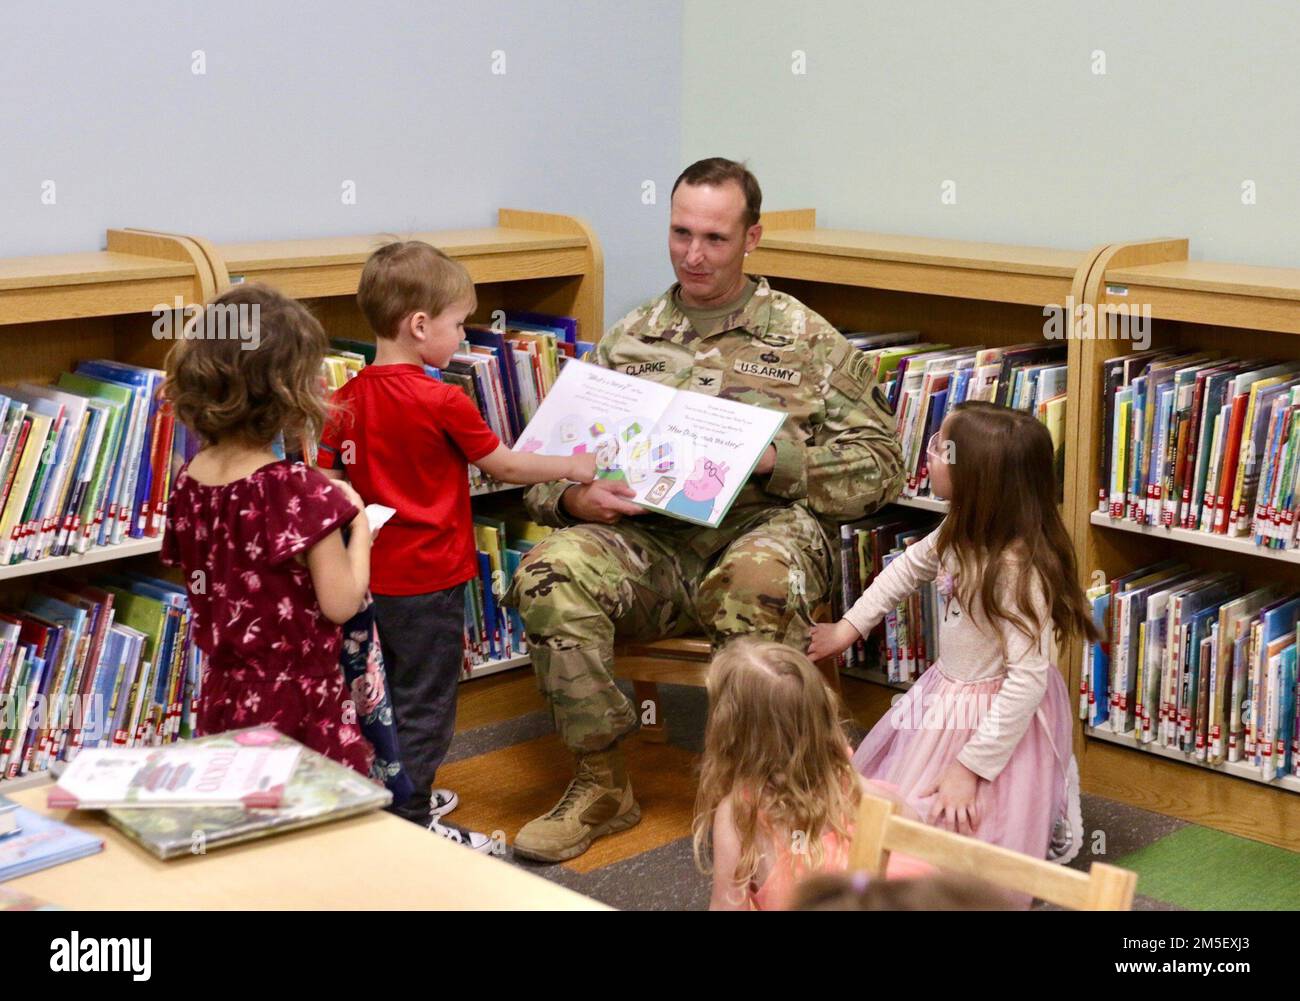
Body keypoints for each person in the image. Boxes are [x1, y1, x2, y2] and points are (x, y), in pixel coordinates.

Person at [504, 157, 904, 863]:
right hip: (648, 545)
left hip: (759, 530)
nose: (693, 253)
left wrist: (781, 461)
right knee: (549, 571)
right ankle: (602, 783)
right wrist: (573, 494)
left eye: (714, 238)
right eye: (680, 232)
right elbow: (540, 466)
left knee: (756, 578)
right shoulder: (633, 335)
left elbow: (884, 467)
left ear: (752, 238)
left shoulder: (804, 338)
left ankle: (756, 795)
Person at [318, 241, 596, 850]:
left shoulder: (343, 399)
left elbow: (330, 481)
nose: (464, 340)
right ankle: (410, 825)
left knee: (377, 697)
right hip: (429, 583)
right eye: (457, 326)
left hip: (365, 581)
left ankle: (389, 796)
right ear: (420, 326)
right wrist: (573, 467)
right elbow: (503, 465)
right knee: (427, 706)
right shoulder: (443, 397)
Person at [808, 401, 1101, 875]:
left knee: (960, 832)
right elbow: (904, 569)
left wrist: (970, 767)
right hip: (949, 693)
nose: (929, 455)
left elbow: (1025, 681)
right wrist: (849, 627)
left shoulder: (1015, 571)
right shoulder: (957, 529)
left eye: (941, 449)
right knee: (903, 806)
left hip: (995, 713)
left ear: (979, 478)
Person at [161, 283, 375, 774]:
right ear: (290, 391)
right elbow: (340, 604)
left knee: (243, 817)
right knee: (312, 824)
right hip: (298, 703)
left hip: (223, 696)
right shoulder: (298, 490)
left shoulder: (188, 481)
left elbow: (205, 581)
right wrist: (359, 525)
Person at [693, 639, 932, 910]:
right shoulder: (843, 776)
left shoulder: (738, 812)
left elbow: (726, 906)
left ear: (729, 731)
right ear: (822, 716)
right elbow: (915, 825)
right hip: (885, 894)